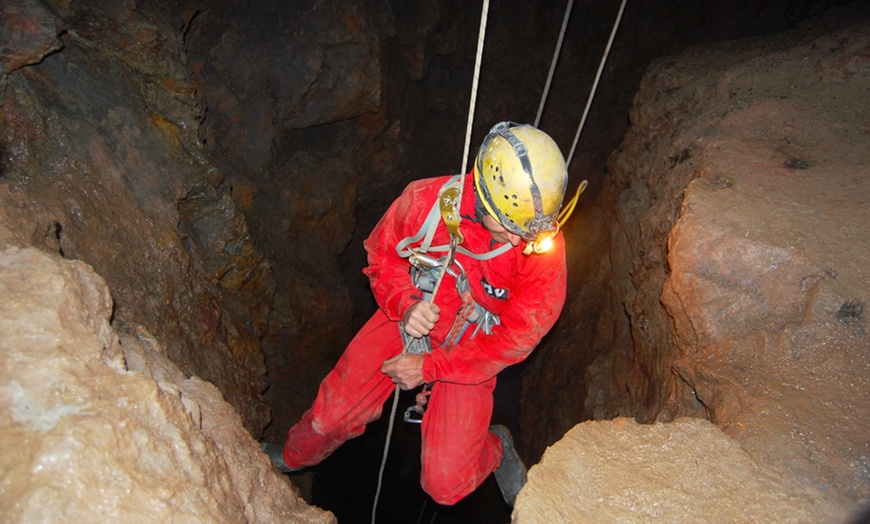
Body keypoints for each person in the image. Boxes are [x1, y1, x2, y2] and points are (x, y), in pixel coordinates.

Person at [265, 121, 570, 507]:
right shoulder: (426, 203)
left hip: (473, 350)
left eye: (527, 232)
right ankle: (293, 458)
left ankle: (494, 449)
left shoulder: (539, 251)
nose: (517, 241)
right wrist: (406, 304)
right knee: (331, 419)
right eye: (509, 228)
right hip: (408, 320)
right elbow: (381, 257)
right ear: (482, 199)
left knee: (445, 486)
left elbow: (516, 338)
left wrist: (430, 367)